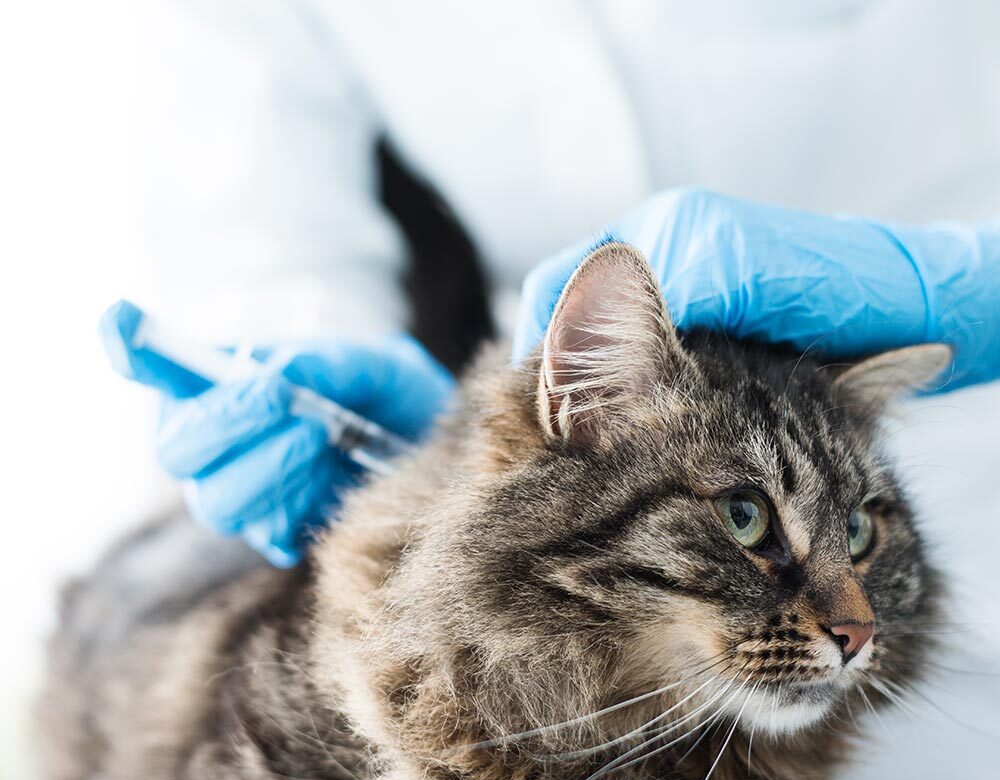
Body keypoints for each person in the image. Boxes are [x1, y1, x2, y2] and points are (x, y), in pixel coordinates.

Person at [116, 1, 1000, 567]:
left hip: (949, 473)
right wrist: (308, 349)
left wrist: (969, 289)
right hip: (590, 506)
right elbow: (262, 225)